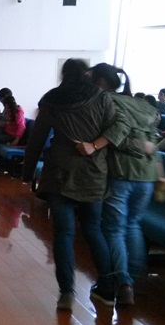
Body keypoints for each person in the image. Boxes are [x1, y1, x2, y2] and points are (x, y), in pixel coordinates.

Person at [21, 58, 128, 312]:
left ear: (64, 74)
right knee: (93, 230)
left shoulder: (52, 100)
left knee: (64, 233)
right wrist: (95, 145)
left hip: (60, 174)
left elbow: (37, 138)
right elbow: (121, 126)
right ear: (86, 75)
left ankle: (66, 293)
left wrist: (27, 172)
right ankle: (107, 288)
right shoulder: (101, 98)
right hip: (93, 174)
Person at [89, 63, 163, 306]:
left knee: (114, 229)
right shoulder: (142, 104)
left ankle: (123, 282)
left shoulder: (105, 102)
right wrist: (160, 173)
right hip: (147, 176)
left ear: (100, 81)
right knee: (133, 225)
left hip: (121, 173)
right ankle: (133, 275)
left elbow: (114, 137)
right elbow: (152, 143)